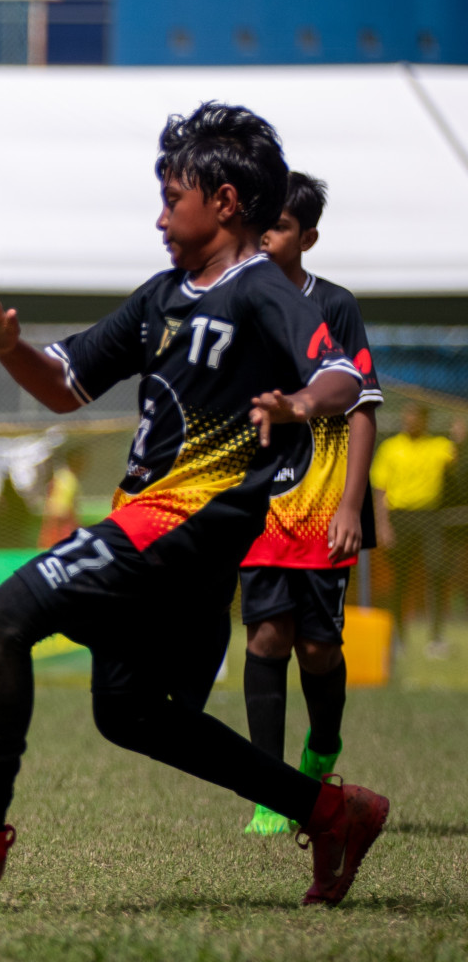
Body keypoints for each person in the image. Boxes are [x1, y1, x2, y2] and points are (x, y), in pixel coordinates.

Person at [0, 102, 389, 907]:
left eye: (171, 197)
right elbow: (64, 386)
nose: (158, 216)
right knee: (130, 711)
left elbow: (344, 376)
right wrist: (9, 348)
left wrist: (301, 403)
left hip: (180, 529)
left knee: (5, 618)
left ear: (223, 202)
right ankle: (328, 811)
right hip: (172, 544)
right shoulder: (161, 298)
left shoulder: (262, 291)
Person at [237, 173, 383, 836]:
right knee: (267, 635)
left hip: (325, 505)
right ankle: (272, 790)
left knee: (319, 649)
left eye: (281, 226)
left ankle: (322, 748)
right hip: (260, 505)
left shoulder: (337, 306)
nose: (266, 236)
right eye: (260, 222)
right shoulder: (236, 301)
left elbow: (361, 411)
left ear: (308, 237)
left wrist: (354, 508)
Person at [371, 402, 457, 658]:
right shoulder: (390, 448)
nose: (408, 421)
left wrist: (459, 437)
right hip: (399, 518)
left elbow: (458, 463)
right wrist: (383, 525)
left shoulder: (439, 446)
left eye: (413, 416)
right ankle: (399, 637)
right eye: (406, 416)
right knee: (400, 578)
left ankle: (436, 637)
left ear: (424, 420)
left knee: (436, 570)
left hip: (429, 518)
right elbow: (380, 490)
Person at [36, 444, 85, 549]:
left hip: (60, 522)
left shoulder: (65, 476)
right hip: (61, 524)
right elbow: (60, 509)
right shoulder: (67, 479)